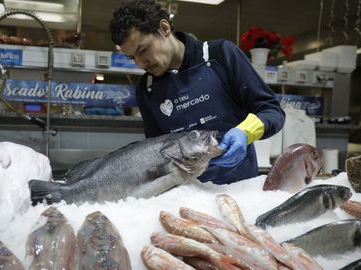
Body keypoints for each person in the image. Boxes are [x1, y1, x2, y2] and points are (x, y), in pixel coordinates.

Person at [109, 0, 285, 184]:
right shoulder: (146, 89)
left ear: (164, 28)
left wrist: (245, 132)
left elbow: (272, 110)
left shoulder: (221, 54)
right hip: (187, 196)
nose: (141, 63)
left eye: (143, 50)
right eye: (132, 58)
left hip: (240, 190)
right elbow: (156, 152)